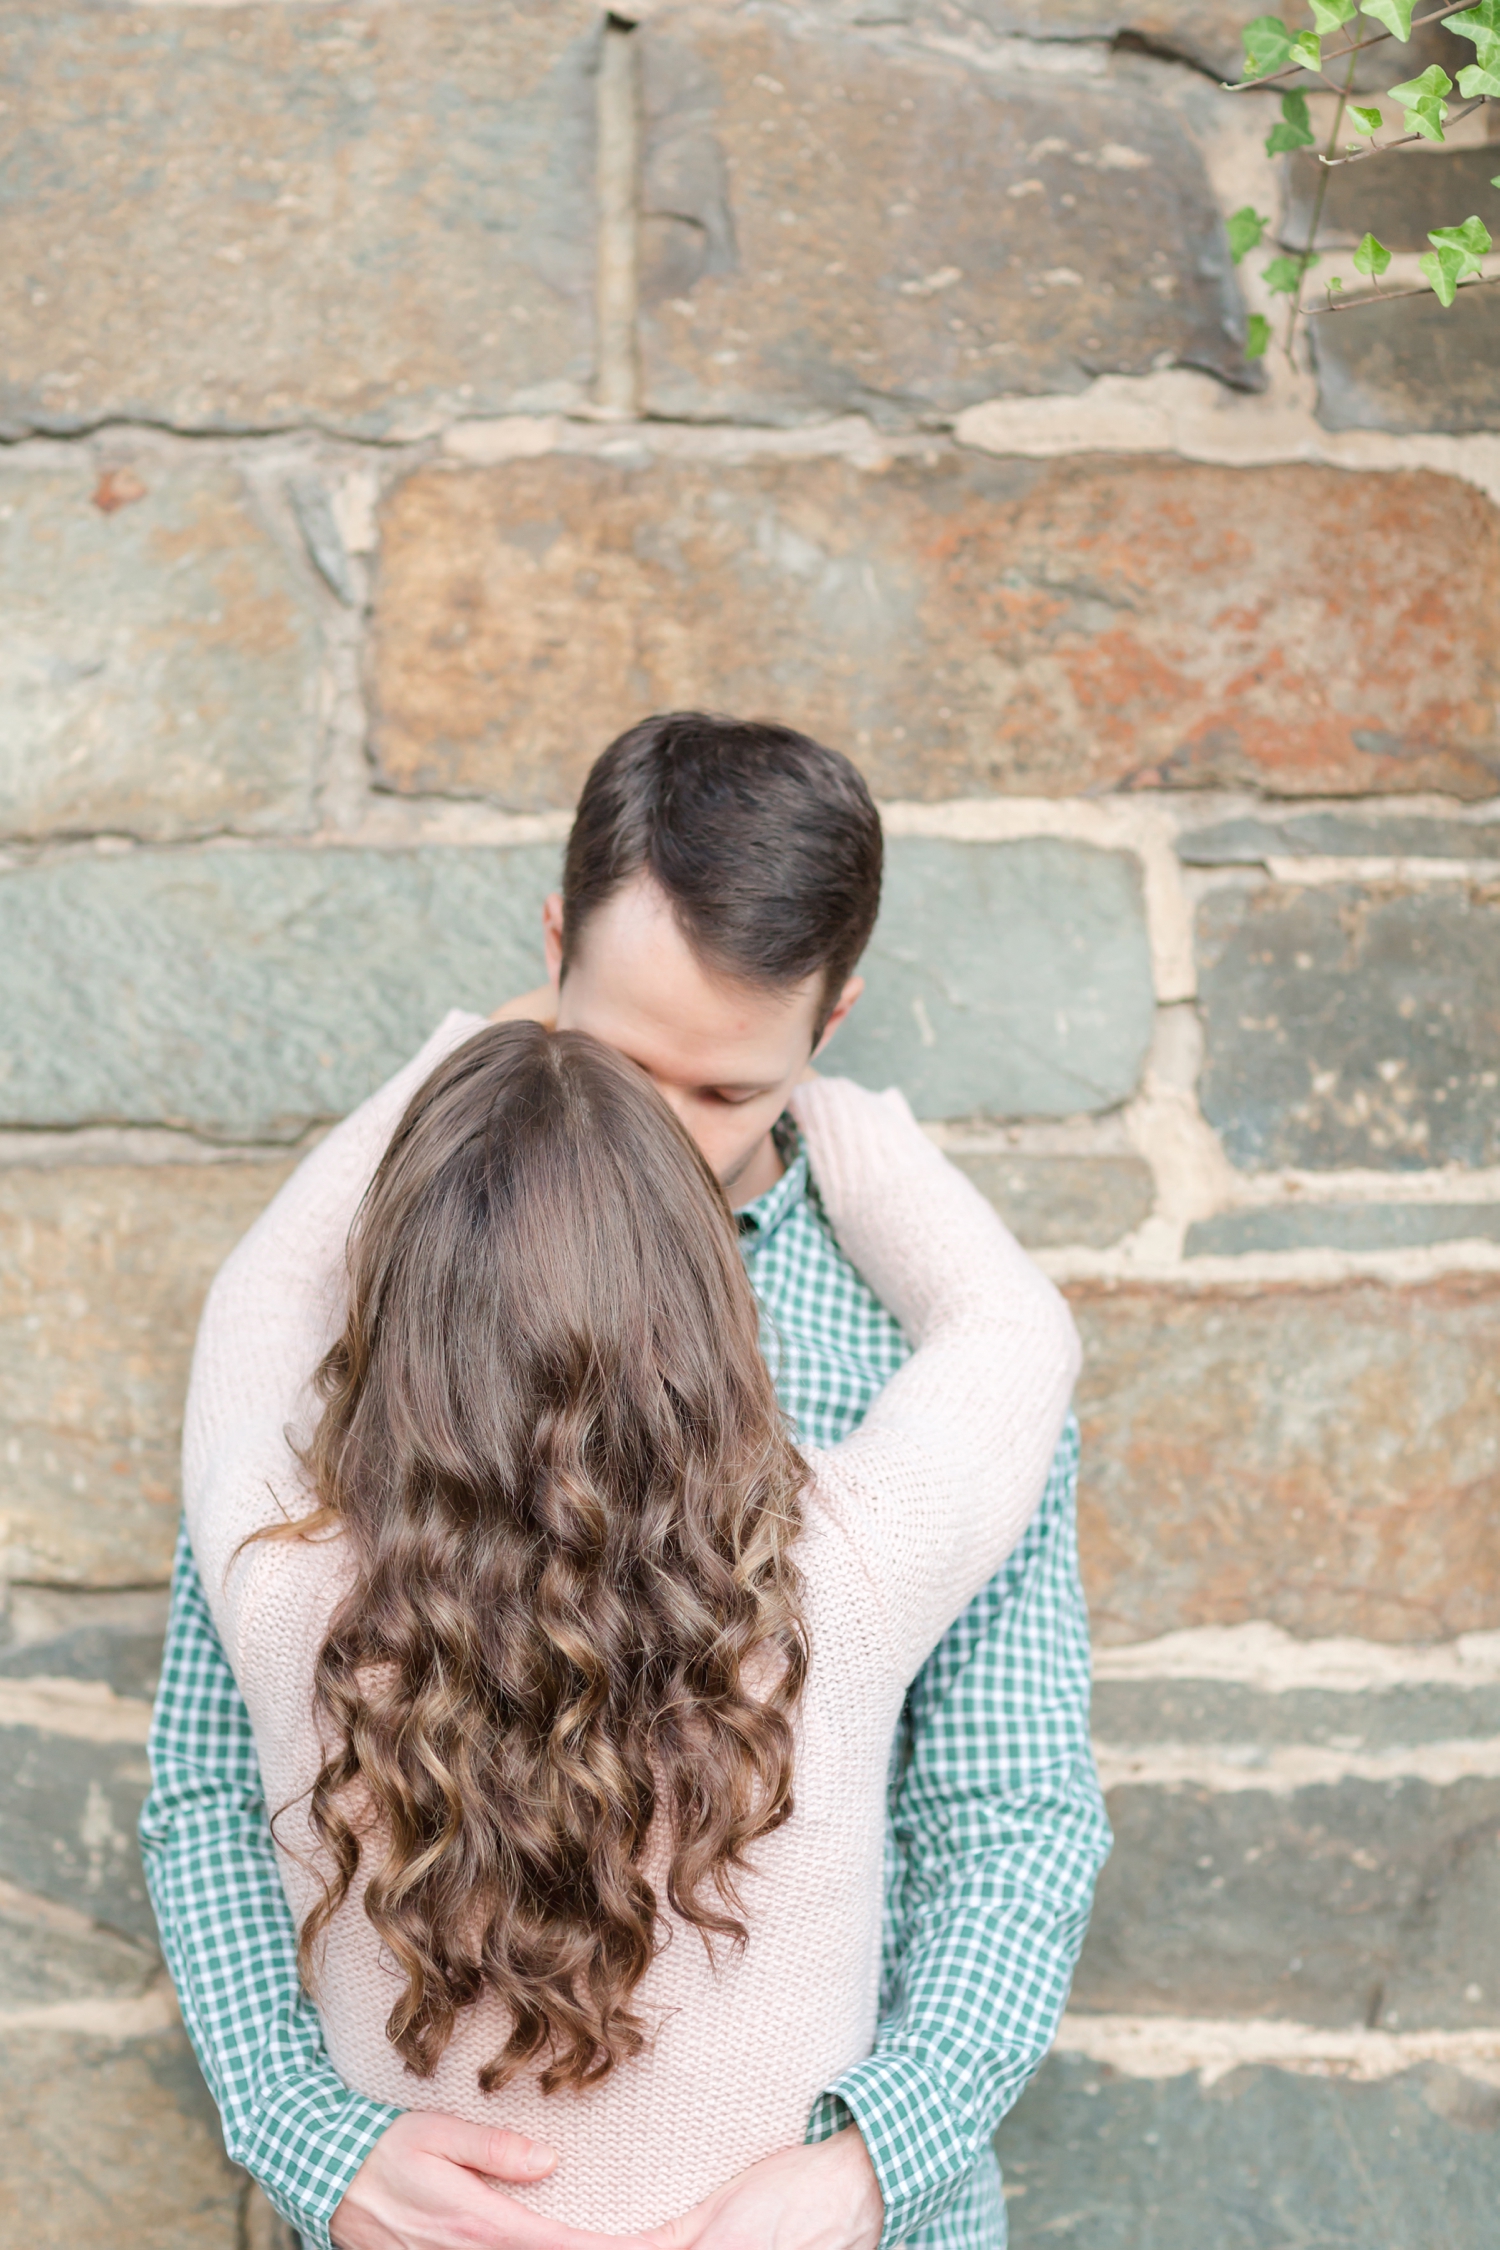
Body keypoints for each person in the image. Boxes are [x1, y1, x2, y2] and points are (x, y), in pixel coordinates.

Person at [141, 713, 1111, 2250]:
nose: (649, 1141)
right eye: (615, 1059)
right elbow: (209, 1787)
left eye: (725, 1090)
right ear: (553, 953)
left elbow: (1007, 1815)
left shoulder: (886, 1363)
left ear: (831, 1018)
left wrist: (871, 2165)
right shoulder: (389, 1298)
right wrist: (304, 2130)